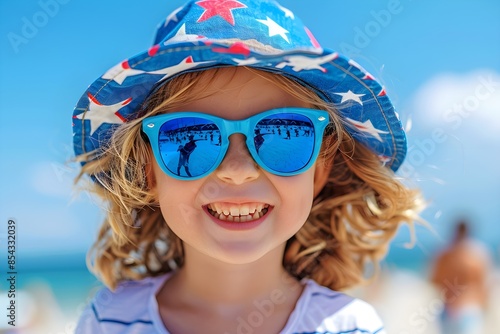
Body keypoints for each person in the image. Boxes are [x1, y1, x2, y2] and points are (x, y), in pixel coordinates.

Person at [72, 1, 423, 333]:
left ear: (319, 170)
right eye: (185, 137)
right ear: (149, 171)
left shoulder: (350, 326)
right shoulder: (109, 320)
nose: (238, 170)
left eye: (284, 137)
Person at [430, 219, 492, 334]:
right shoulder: (479, 254)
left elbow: (435, 280)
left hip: (451, 307)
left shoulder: (445, 254)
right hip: (470, 307)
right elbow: (483, 283)